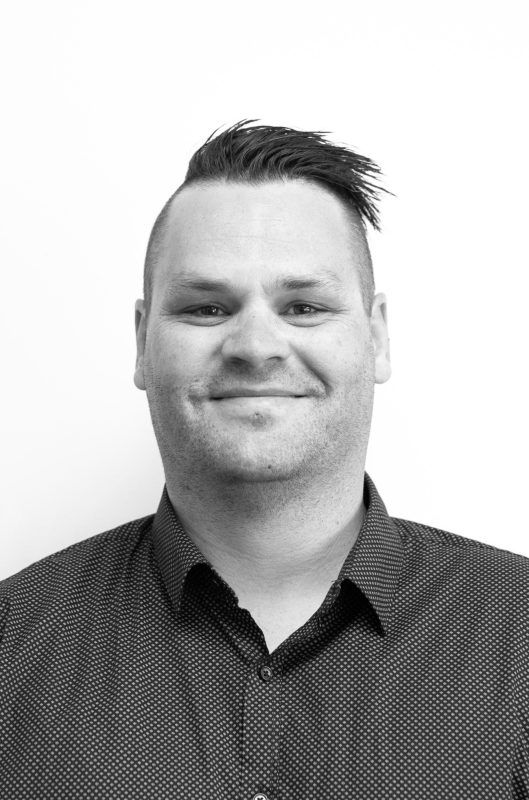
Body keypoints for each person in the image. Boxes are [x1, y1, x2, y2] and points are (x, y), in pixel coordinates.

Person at [0, 121, 527, 799]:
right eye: (205, 307)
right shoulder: (12, 648)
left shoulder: (517, 637)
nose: (254, 345)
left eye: (303, 306)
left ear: (376, 336)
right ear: (141, 342)